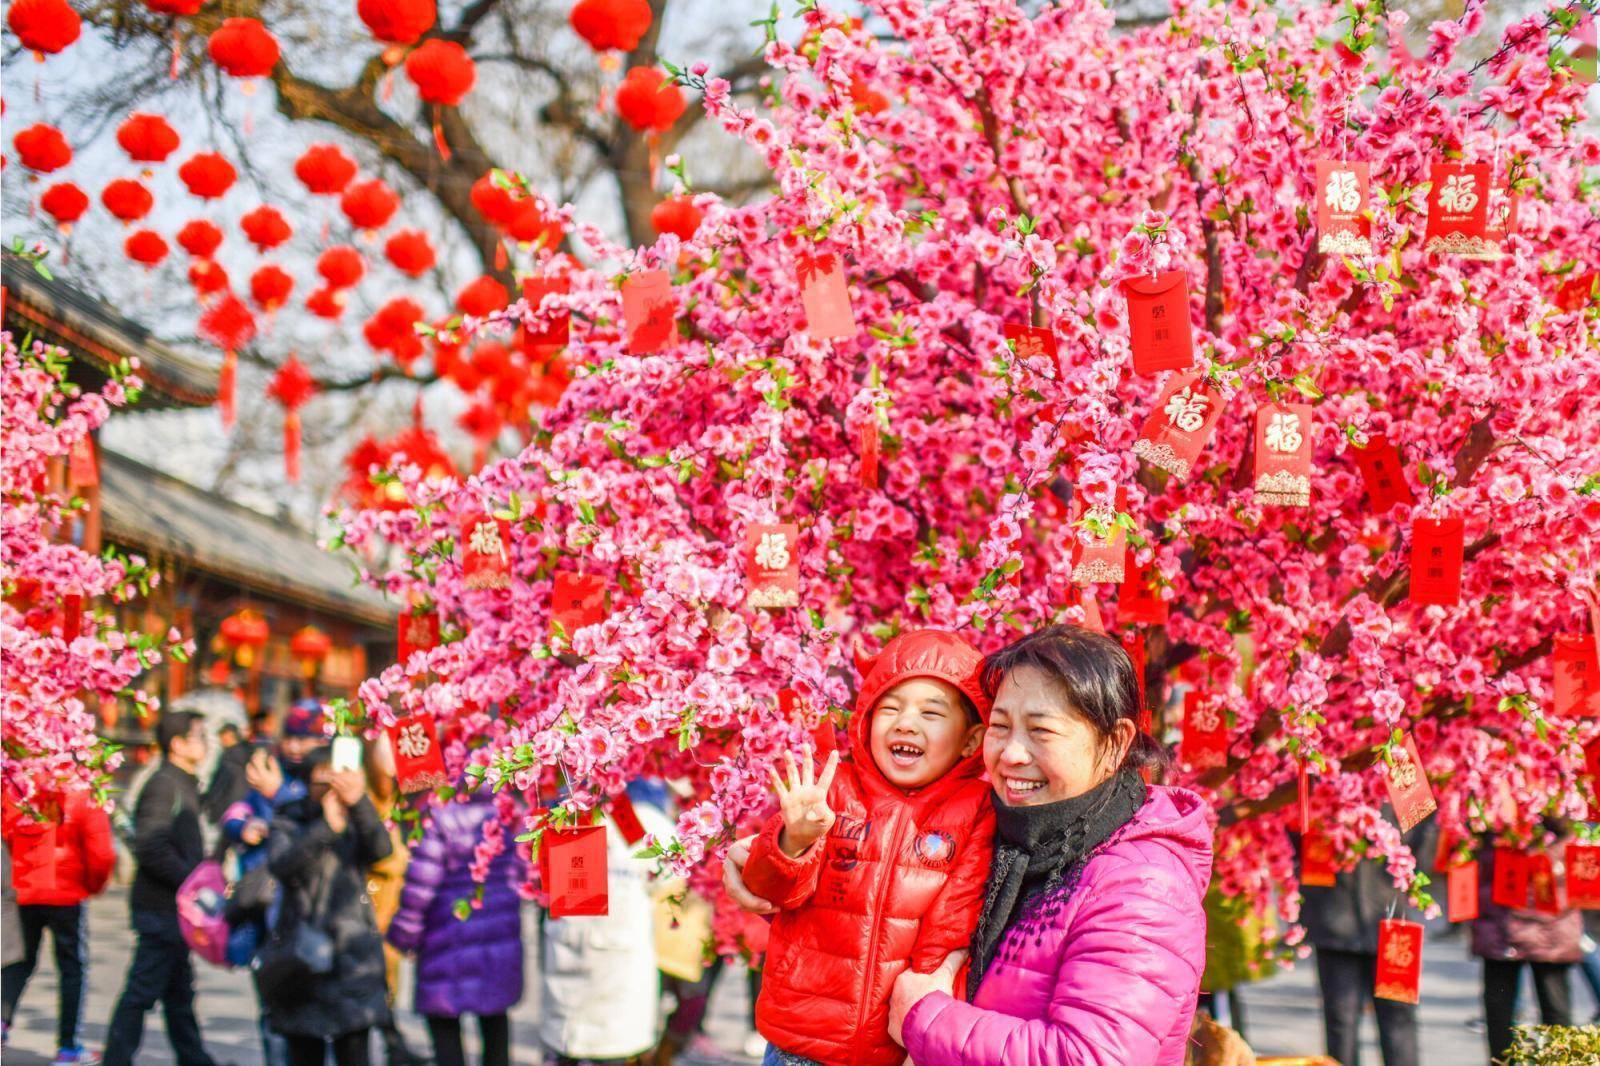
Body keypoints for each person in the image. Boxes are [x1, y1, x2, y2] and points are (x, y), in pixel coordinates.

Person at [727, 625, 1212, 1064]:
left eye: (1041, 730)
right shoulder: (1022, 837)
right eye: (1001, 727)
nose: (1012, 754)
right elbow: (862, 910)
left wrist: (925, 1018)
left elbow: (1091, 1058)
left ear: (1115, 743)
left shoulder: (1143, 886)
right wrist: (781, 852)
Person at [738, 628, 995, 1066]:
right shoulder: (833, 792)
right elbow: (772, 889)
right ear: (865, 719)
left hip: (892, 1048)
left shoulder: (976, 811)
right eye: (889, 709)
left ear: (971, 740)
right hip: (800, 1039)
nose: (906, 723)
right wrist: (792, 839)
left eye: (931, 713)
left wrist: (923, 1033)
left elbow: (950, 929)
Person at [102, 711, 221, 1066]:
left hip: (174, 908)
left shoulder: (184, 781)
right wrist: (191, 881)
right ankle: (116, 1059)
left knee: (178, 992)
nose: (204, 743)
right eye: (198, 736)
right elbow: (150, 845)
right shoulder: (163, 784)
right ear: (177, 744)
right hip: (160, 908)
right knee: (143, 991)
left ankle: (194, 1058)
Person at [265, 748, 394, 1066]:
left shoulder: (357, 815)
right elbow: (281, 864)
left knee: (354, 1049)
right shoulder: (289, 817)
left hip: (352, 950)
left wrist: (360, 803)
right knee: (304, 1050)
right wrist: (325, 828)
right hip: (302, 951)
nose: (330, 787)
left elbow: (381, 850)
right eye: (322, 780)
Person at [387, 784, 527, 1066]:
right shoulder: (512, 814)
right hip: (498, 934)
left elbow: (420, 887)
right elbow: (523, 872)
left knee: (444, 1018)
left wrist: (405, 935)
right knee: (494, 1015)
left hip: (446, 935)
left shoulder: (440, 816)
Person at [539, 780, 674, 1065]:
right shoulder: (568, 818)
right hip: (575, 970)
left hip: (616, 980)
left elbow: (668, 873)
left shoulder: (641, 821)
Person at [1298, 812, 1435, 1066]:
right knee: (1341, 1021)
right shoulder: (1318, 773)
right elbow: (1295, 826)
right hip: (1333, 913)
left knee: (1399, 1019)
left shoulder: (1404, 772)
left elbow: (1425, 825)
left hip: (1394, 917)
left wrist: (1404, 869)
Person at [1, 788, 116, 1064]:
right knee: (72, 969)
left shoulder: (20, 787)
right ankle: (68, 1047)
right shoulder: (81, 792)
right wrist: (92, 886)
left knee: (19, 963)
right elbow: (101, 853)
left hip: (29, 888)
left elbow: (8, 833)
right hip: (67, 894)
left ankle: (2, 1025)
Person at [221, 747, 303, 1066]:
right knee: (270, 1005)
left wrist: (274, 797)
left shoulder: (295, 794)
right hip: (258, 911)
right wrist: (242, 828)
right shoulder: (248, 800)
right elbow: (231, 819)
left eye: (262, 766)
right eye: (251, 765)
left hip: (289, 914)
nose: (253, 773)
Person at [1473, 835, 1582, 1064]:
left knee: (1556, 1012)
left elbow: (1568, 822)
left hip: (1550, 905)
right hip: (1499, 905)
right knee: (1499, 1011)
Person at [363, 734, 429, 1066]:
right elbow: (378, 853)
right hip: (373, 897)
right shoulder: (367, 798)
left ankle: (393, 1043)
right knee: (372, 975)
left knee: (389, 976)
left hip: (396, 899)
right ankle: (391, 1044)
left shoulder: (404, 802)